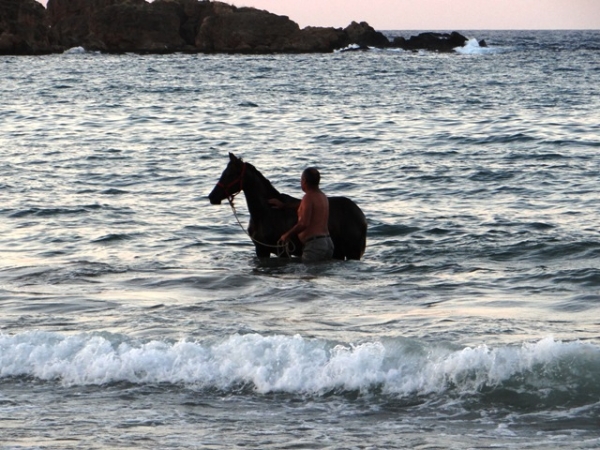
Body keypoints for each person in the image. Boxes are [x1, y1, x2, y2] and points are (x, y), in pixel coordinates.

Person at [276, 167, 334, 262]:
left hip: (314, 245)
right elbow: (307, 208)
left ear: (305, 181)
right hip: (328, 243)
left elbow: (304, 223)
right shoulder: (322, 196)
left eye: (301, 179)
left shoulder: (308, 197)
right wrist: (283, 206)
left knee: (305, 275)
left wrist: (287, 235)